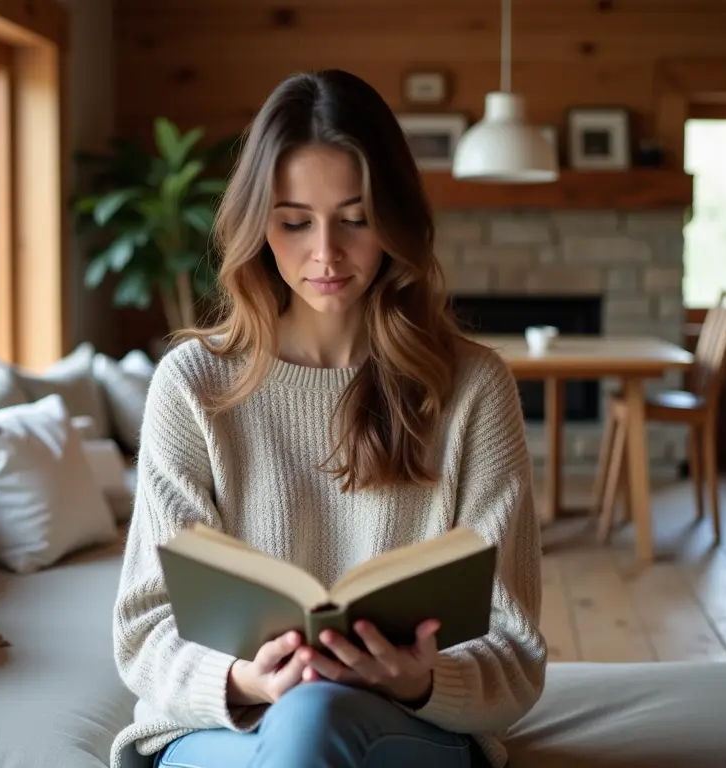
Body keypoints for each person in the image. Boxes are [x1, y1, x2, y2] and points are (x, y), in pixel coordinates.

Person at [108, 68, 547, 768]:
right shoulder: (193, 386)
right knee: (302, 721)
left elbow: (515, 651)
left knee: (315, 719)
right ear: (258, 225)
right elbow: (144, 630)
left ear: (395, 222)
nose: (325, 254)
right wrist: (247, 680)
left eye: (355, 218)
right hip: (226, 732)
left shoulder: (470, 388)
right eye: (294, 222)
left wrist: (422, 679)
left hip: (406, 729)